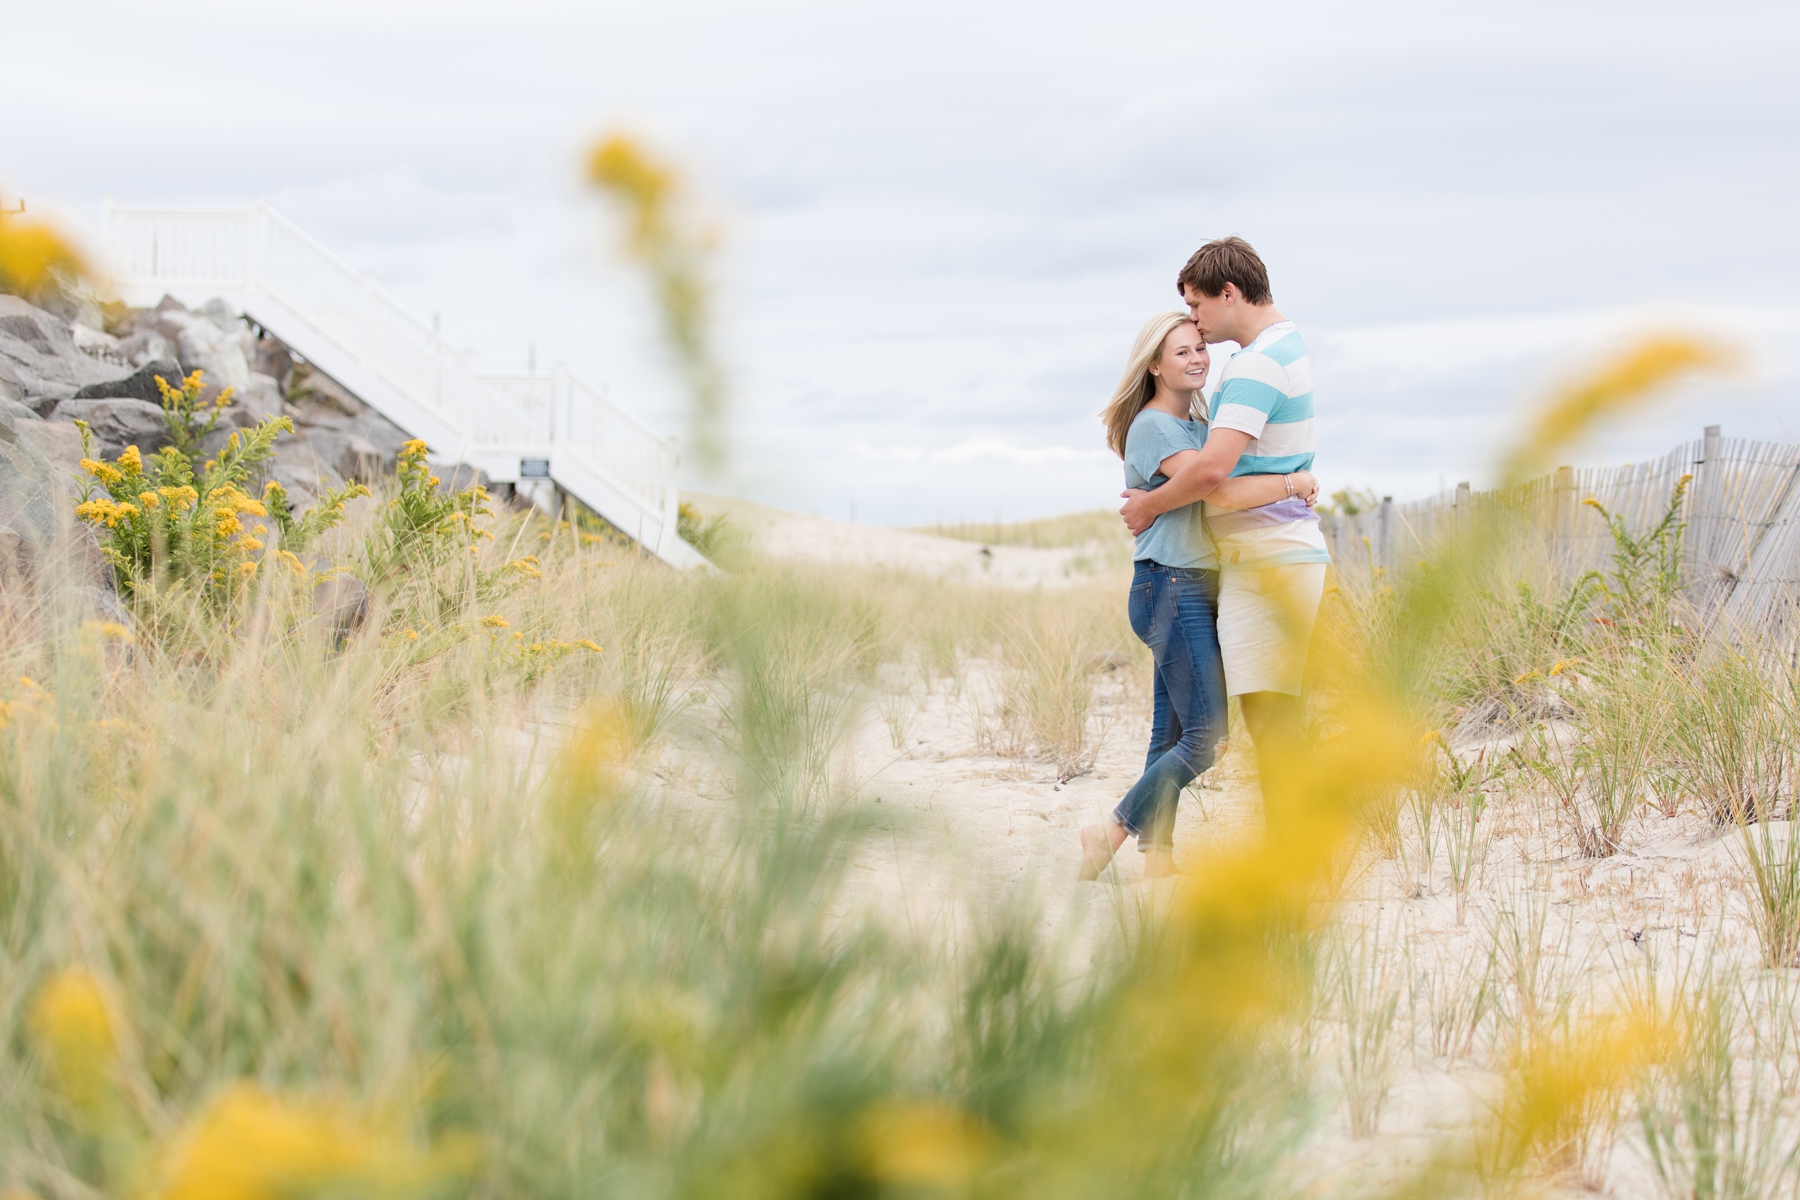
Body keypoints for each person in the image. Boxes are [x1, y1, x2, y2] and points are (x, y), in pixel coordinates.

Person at [1079, 312, 1316, 881]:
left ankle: (1157, 855)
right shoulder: (1155, 426)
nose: (1197, 359)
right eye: (1181, 352)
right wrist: (1292, 483)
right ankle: (1109, 831)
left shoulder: (1197, 426)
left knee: (1172, 733)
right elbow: (1220, 488)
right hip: (1169, 584)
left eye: (1199, 349)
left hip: (1191, 587)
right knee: (1208, 737)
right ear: (1154, 365)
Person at [1119, 239, 1330, 823]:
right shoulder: (1283, 350)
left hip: (1268, 561)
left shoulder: (1257, 362)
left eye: (1197, 308)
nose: (1198, 325)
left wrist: (1150, 506)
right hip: (1243, 564)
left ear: (1229, 294)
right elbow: (1221, 476)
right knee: (1236, 721)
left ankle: (1288, 851)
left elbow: (1217, 478)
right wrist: (1296, 481)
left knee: (1260, 719)